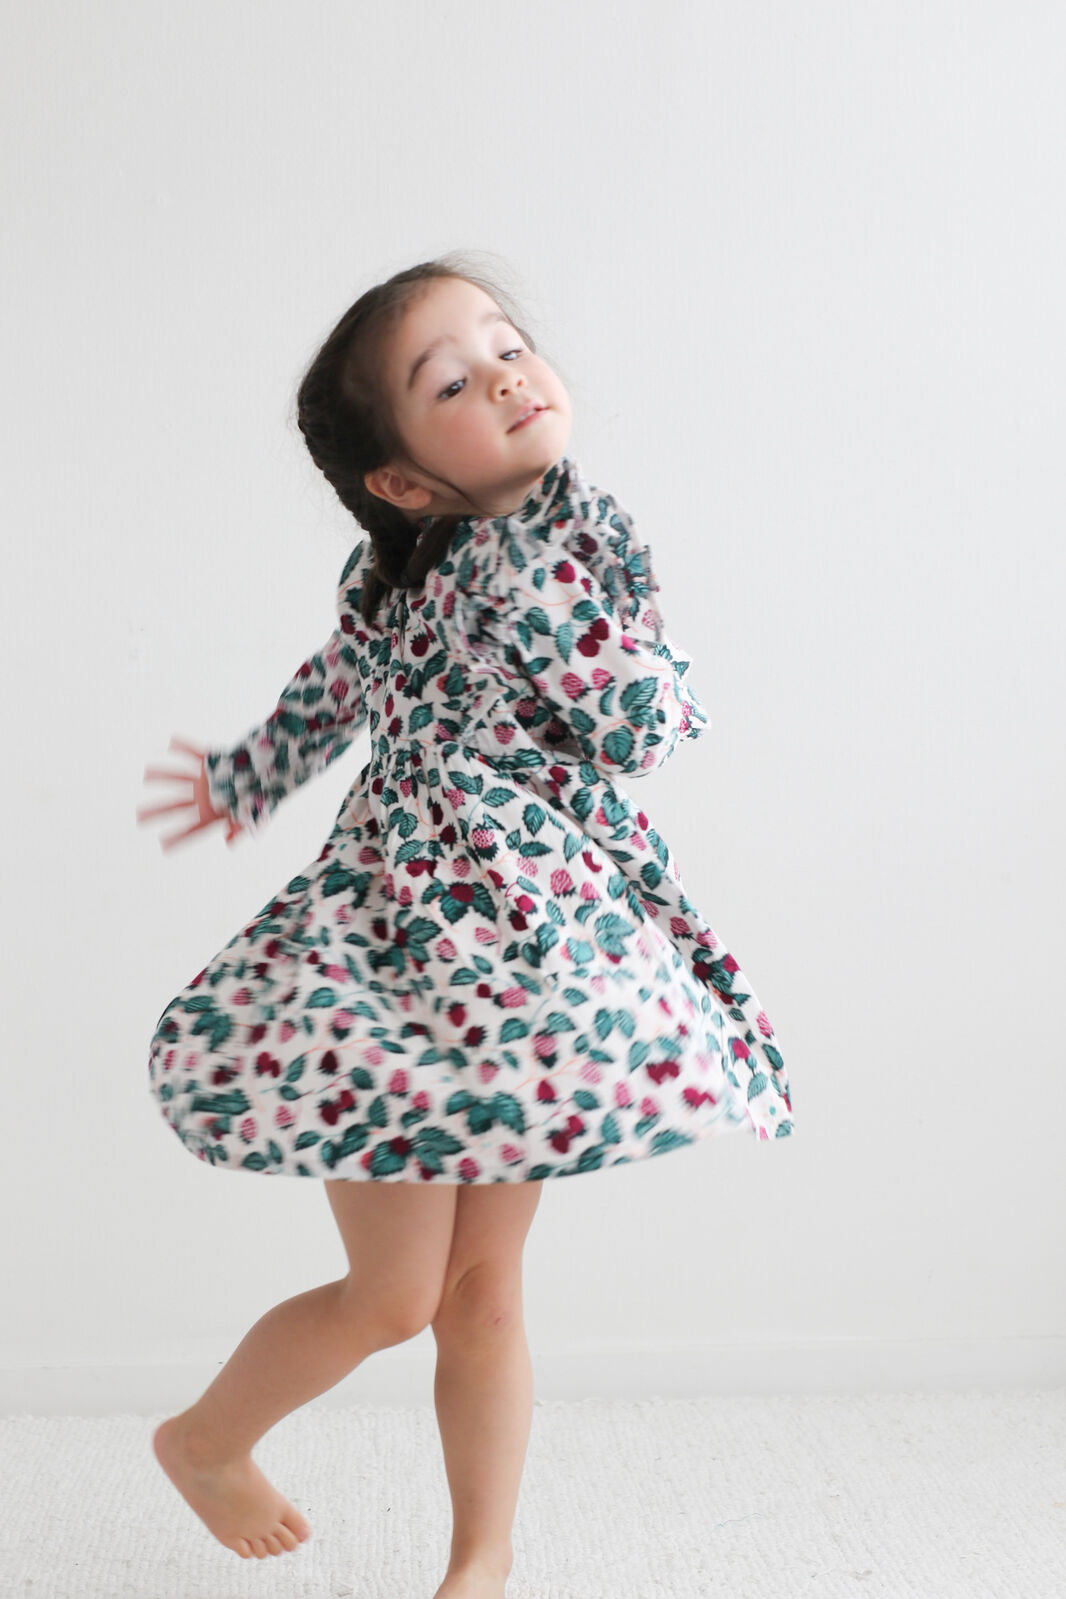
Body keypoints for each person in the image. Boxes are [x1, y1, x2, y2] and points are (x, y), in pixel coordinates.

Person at [136, 256, 794, 1593]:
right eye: (450, 376)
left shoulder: (577, 549)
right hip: (396, 950)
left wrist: (556, 574)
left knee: (485, 1295)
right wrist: (248, 775)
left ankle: (479, 1564)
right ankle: (207, 1440)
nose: (501, 370)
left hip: (531, 969)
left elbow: (634, 729)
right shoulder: (417, 579)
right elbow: (346, 688)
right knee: (394, 1298)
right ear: (403, 481)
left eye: (505, 343)